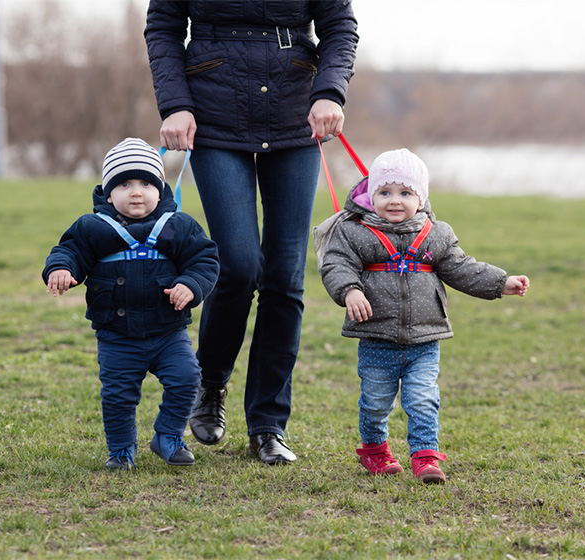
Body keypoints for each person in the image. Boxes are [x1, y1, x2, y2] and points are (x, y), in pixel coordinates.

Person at [144, 1, 359, 465]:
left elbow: (339, 26)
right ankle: (211, 382)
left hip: (294, 115)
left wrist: (330, 93)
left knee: (284, 276)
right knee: (238, 265)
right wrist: (176, 104)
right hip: (214, 115)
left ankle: (267, 425)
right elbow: (163, 26)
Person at [318, 149, 530, 483]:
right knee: (375, 403)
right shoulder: (354, 232)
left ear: (421, 197)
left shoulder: (436, 234)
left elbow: (463, 269)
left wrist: (501, 283)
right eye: (385, 192)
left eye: (405, 193)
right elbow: (335, 264)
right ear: (371, 194)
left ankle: (425, 456)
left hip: (424, 340)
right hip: (377, 338)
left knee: (422, 399)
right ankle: (374, 451)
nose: (394, 201)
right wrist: (350, 290)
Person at [42, 138, 219, 470]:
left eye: (146, 183)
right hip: (117, 336)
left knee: (187, 378)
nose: (136, 192)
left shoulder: (178, 226)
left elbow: (205, 261)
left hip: (168, 332)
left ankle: (168, 435)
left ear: (160, 190)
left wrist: (190, 285)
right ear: (109, 193)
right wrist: (62, 269)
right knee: (119, 396)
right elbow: (69, 251)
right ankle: (121, 450)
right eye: (124, 184)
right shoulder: (92, 228)